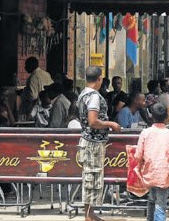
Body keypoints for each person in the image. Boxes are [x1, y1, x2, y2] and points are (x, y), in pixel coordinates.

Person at [77, 65, 121, 221]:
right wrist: (111, 124)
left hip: (89, 141)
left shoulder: (83, 94)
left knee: (92, 178)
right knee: (91, 177)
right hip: (92, 143)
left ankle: (90, 214)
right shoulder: (94, 96)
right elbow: (93, 121)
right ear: (100, 79)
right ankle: (89, 216)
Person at [135, 103, 169, 221]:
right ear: (166, 117)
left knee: (151, 199)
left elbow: (138, 155)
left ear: (151, 116)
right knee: (160, 203)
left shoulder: (145, 133)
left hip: (149, 173)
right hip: (163, 175)